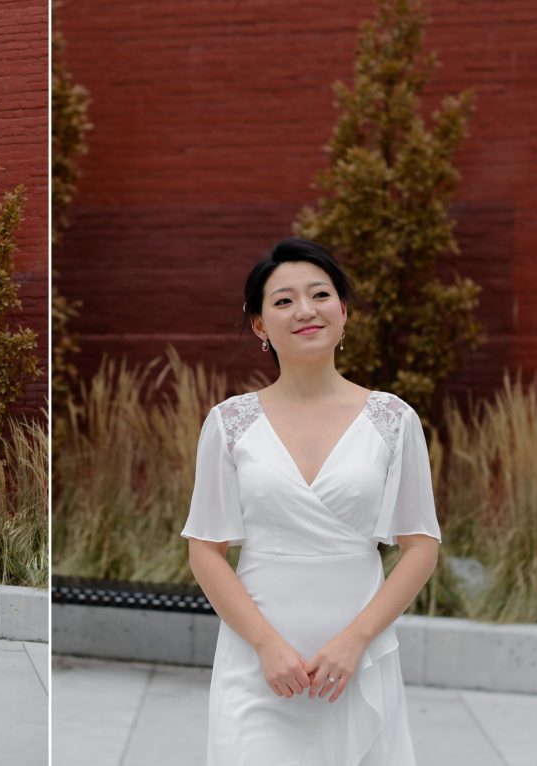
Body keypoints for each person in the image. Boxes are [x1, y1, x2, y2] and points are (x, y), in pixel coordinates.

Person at [182, 238, 441, 765]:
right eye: (282, 301)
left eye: (320, 295)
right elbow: (205, 550)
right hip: (257, 659)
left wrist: (355, 641)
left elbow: (421, 546)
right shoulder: (230, 423)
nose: (304, 310)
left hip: (358, 658)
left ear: (343, 313)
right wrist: (266, 647)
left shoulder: (392, 419)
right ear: (260, 325)